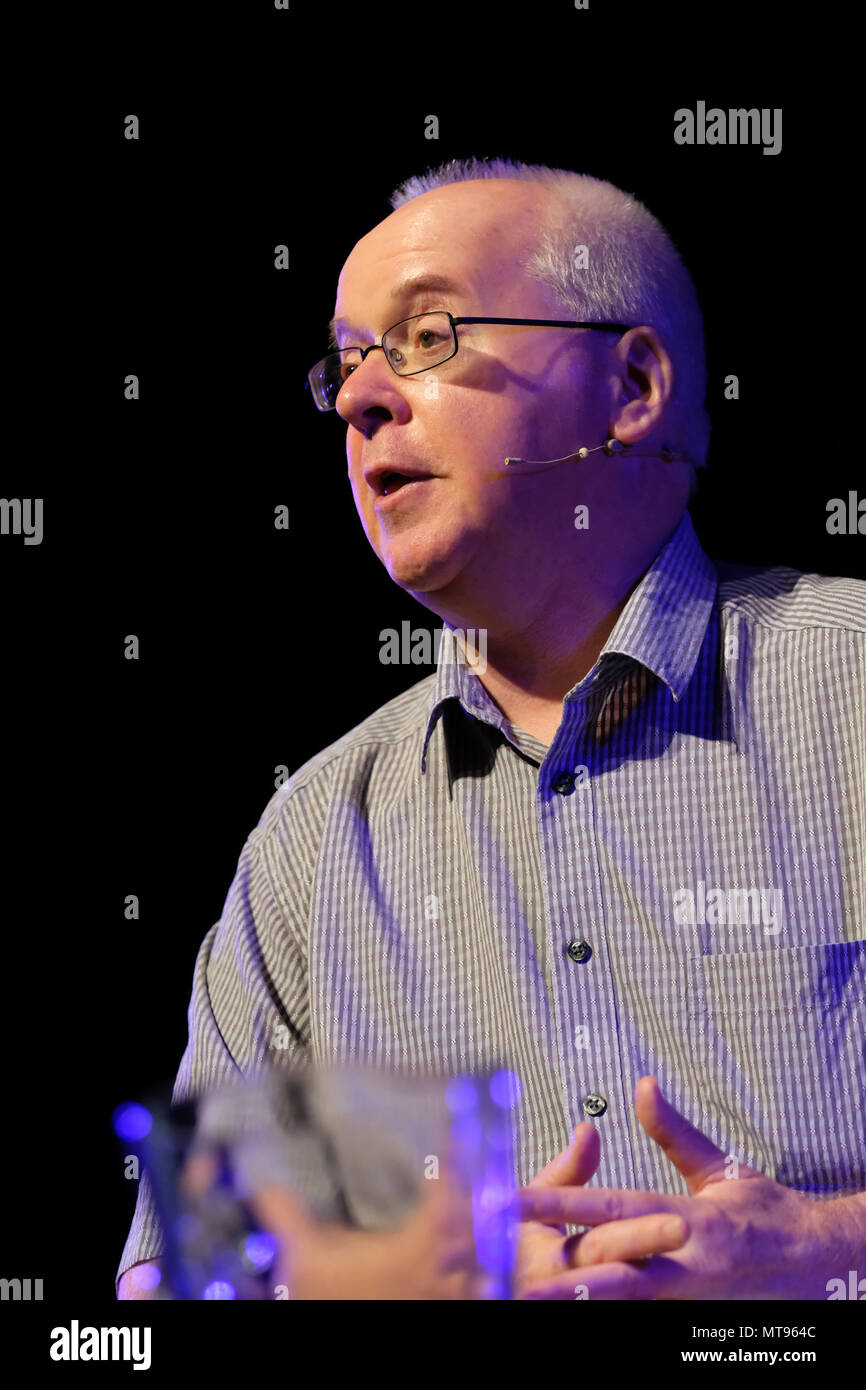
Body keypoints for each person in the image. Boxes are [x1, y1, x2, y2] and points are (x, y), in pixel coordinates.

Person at [117, 156, 865, 1301]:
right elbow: (180, 1290)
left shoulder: (849, 688)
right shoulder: (312, 840)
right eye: (345, 365)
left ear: (630, 386)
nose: (360, 399)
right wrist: (432, 1284)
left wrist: (815, 1252)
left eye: (425, 337)